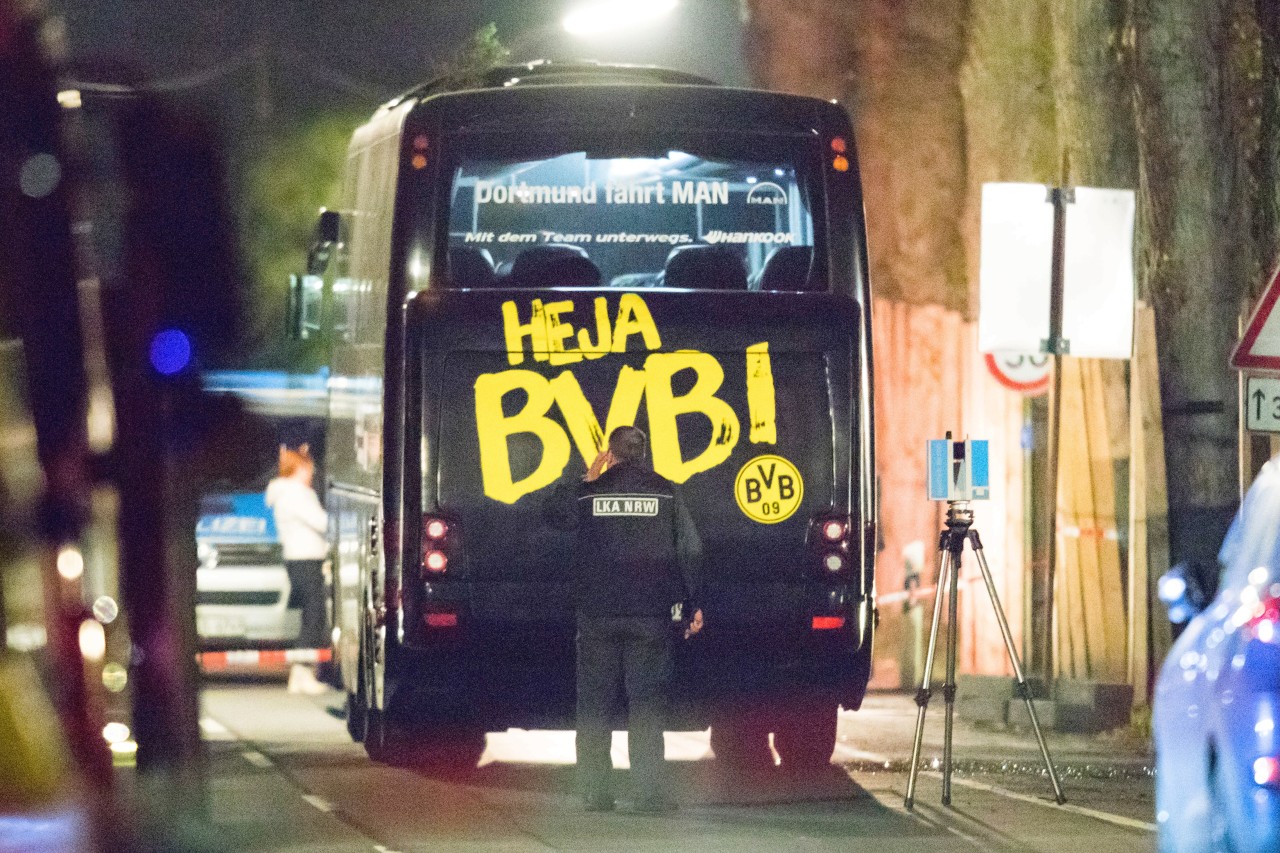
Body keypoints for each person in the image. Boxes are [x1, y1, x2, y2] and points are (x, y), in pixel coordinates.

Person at [544, 425, 703, 813]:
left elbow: (553, 515)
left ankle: (596, 793)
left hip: (597, 615)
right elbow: (691, 549)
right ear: (643, 454)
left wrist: (585, 478)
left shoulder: (590, 491)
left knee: (595, 704)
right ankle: (649, 795)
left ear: (610, 454)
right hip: (650, 617)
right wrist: (691, 603)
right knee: (646, 704)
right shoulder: (665, 491)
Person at [265, 444, 329, 695]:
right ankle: (302, 673)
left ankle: (302, 674)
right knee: (315, 615)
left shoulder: (283, 494)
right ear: (299, 468)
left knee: (309, 614)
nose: (311, 473)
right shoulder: (297, 494)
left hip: (297, 559)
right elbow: (321, 522)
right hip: (307, 558)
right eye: (308, 468)